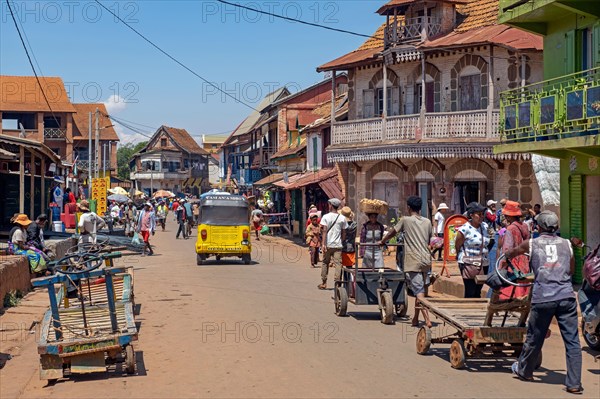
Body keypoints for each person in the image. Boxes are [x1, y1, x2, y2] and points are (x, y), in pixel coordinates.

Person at [506, 211, 583, 394]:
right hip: (566, 297)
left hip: (543, 297)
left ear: (538, 227)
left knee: (535, 337)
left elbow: (512, 253)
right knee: (572, 341)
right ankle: (574, 383)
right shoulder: (566, 243)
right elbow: (571, 270)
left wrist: (508, 255)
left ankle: (525, 371)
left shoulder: (532, 243)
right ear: (556, 227)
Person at [381, 196, 432, 327]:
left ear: (408, 207)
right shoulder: (427, 222)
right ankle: (415, 318)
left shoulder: (405, 220)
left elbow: (393, 232)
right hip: (426, 260)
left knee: (419, 293)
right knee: (419, 290)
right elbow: (429, 239)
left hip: (413, 260)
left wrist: (382, 241)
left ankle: (427, 319)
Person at [454, 202, 490, 299]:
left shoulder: (485, 226)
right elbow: (458, 244)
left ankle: (476, 312)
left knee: (478, 291)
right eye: (479, 214)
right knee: (470, 291)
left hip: (484, 263)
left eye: (483, 214)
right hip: (468, 263)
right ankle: (468, 312)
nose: (482, 216)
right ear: (471, 215)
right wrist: (460, 256)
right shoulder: (464, 229)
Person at [497, 200, 531, 300]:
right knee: (524, 282)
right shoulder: (525, 226)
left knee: (513, 287)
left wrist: (501, 265)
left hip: (513, 261)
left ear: (509, 216)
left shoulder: (510, 229)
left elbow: (507, 249)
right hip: (525, 260)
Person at [318, 198, 348, 290]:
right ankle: (338, 283)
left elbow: (324, 231)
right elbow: (344, 232)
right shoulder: (342, 218)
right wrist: (341, 241)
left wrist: (323, 244)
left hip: (328, 244)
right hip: (338, 245)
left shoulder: (326, 217)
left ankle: (324, 282)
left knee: (325, 263)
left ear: (331, 205)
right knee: (338, 264)